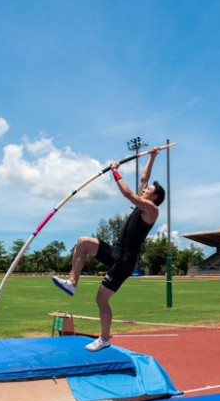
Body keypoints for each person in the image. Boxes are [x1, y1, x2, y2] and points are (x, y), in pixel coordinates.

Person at [53, 147, 165, 351]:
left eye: (149, 189)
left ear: (155, 197)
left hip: (124, 262)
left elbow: (128, 193)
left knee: (101, 298)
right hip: (116, 252)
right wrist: (153, 156)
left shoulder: (151, 210)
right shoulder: (144, 203)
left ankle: (105, 338)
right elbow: (143, 177)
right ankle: (72, 283)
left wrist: (115, 171)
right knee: (83, 242)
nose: (145, 188)